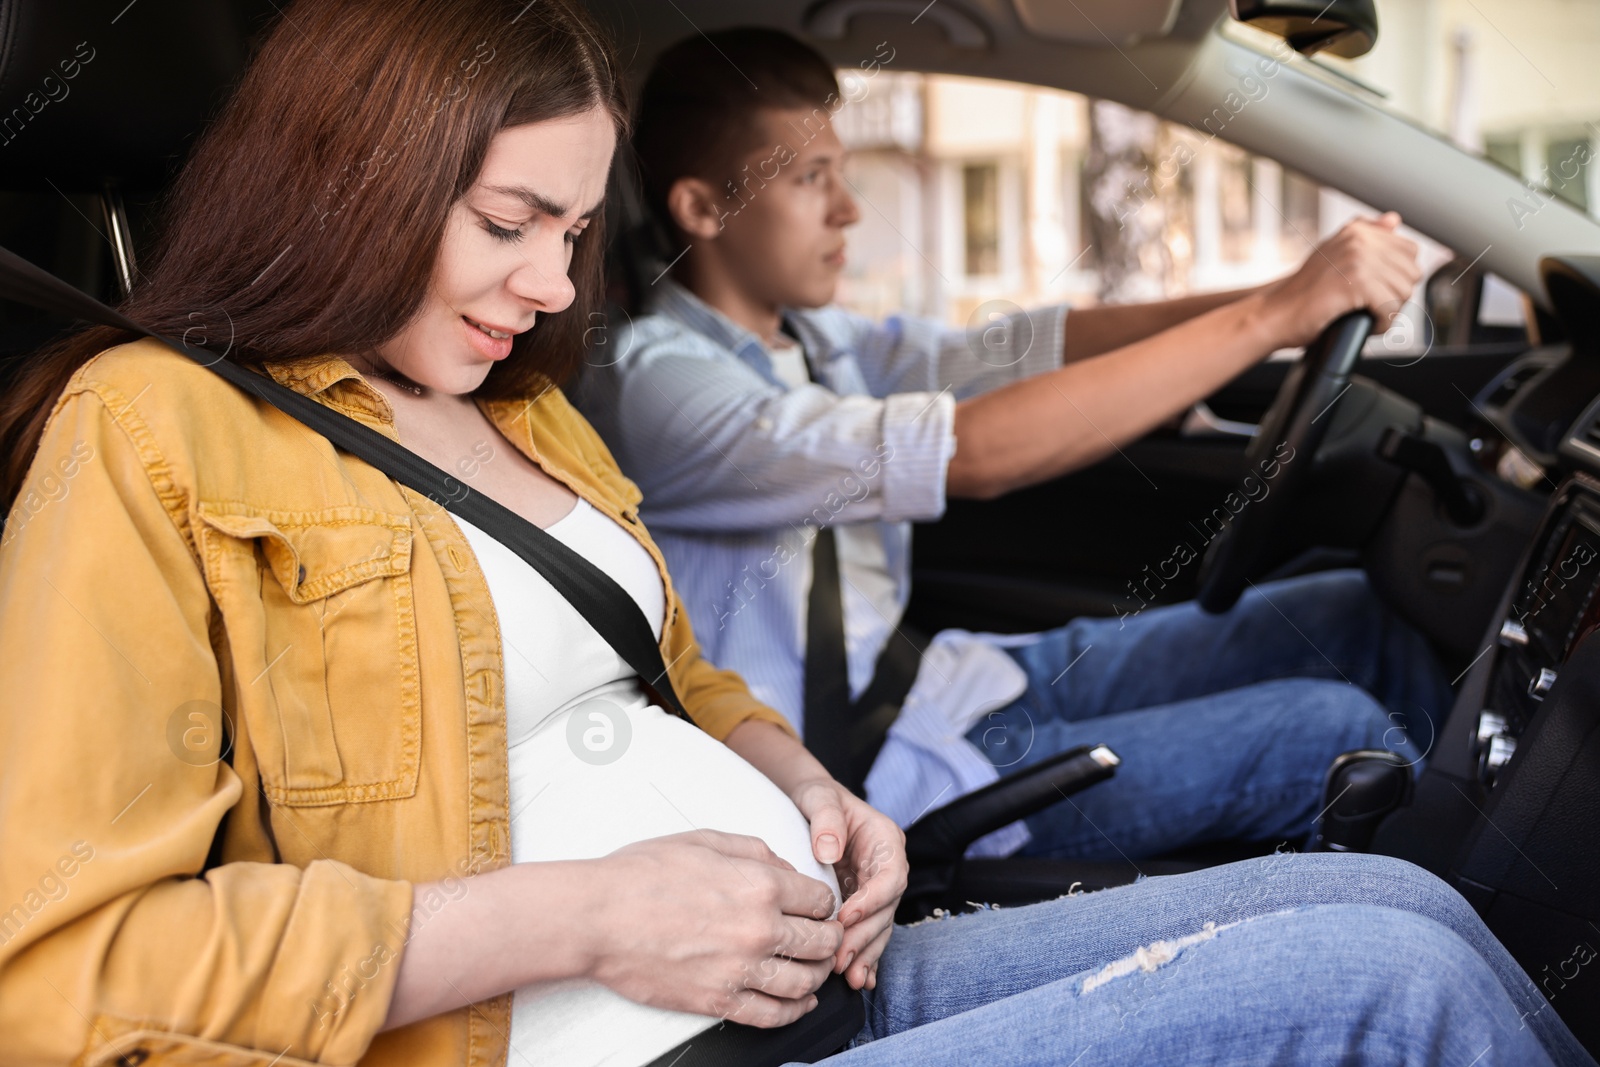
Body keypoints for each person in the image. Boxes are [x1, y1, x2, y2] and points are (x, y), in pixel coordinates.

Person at [0, 3, 1589, 1066]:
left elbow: (675, 674)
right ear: (347, 181)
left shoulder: (520, 404)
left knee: (1414, 913)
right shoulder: (152, 431)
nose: (556, 287)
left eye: (570, 233)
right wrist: (597, 912)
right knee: (1403, 984)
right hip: (625, 1036)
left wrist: (805, 783)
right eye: (507, 225)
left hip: (793, 961)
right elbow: (60, 966)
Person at [577, 27, 1454, 861]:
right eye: (811, 178)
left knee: (1350, 614)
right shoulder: (659, 386)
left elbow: (1016, 349)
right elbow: (975, 453)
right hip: (867, 780)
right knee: (1336, 734)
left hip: (942, 685)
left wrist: (1282, 298)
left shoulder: (814, 337)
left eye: (842, 172)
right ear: (702, 205)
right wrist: (1276, 316)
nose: (849, 208)